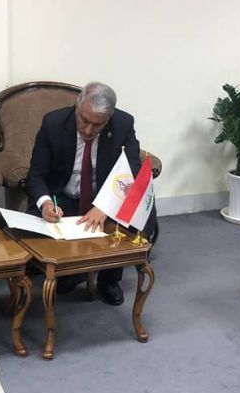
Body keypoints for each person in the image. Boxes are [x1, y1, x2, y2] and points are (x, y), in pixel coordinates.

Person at [25, 81, 155, 306]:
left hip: (104, 195)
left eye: (97, 125)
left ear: (109, 118)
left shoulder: (123, 124)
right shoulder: (53, 123)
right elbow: (36, 174)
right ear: (77, 107)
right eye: (84, 120)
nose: (87, 130)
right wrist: (46, 203)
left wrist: (105, 206)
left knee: (137, 213)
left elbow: (131, 170)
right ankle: (70, 272)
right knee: (34, 221)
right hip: (63, 197)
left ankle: (108, 279)